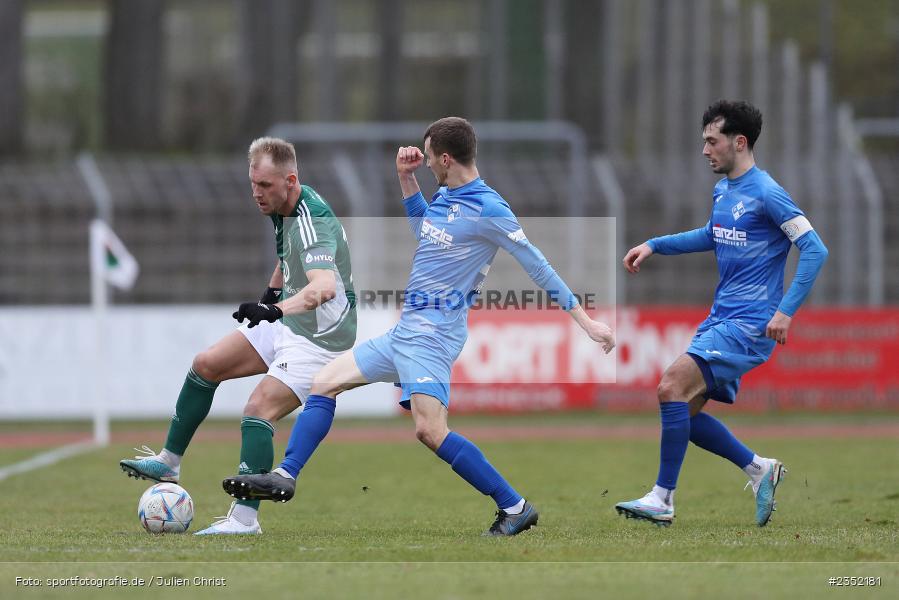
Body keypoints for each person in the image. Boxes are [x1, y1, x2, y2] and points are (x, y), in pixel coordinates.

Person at [222, 116, 616, 536]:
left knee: (430, 431)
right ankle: (286, 474)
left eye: (428, 159)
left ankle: (514, 506)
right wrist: (405, 178)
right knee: (324, 382)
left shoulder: (489, 209)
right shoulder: (445, 197)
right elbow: (425, 231)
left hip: (433, 337)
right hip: (405, 332)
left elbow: (537, 265)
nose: (426, 164)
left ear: (446, 158)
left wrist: (586, 321)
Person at [119, 137, 357, 535]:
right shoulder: (283, 206)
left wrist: (273, 309)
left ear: (290, 180)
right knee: (206, 364)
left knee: (259, 407)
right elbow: (286, 259)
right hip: (290, 320)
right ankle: (169, 462)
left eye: (264, 186)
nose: (256, 193)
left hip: (320, 336)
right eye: (253, 183)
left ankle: (245, 520)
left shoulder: (312, 220)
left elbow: (324, 288)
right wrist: (269, 294)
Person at [615, 100, 828, 527]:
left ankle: (662, 498)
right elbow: (711, 235)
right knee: (685, 413)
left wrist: (785, 313)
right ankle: (758, 469)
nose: (705, 150)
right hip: (722, 317)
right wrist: (655, 244)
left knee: (670, 386)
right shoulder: (725, 190)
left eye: (712, 141)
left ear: (739, 142)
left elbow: (814, 249)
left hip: (750, 322)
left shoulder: (767, 193)